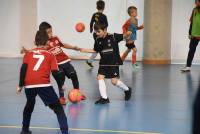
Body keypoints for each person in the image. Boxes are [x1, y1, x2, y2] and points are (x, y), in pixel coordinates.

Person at [16, 30, 69, 134]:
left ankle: (24, 130)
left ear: (35, 42)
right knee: (58, 109)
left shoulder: (28, 54)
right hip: (43, 84)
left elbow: (23, 69)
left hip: (29, 85)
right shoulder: (50, 55)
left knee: (29, 105)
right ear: (47, 42)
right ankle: (65, 132)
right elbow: (55, 72)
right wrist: (61, 85)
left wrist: (20, 85)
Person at [21, 22, 86, 105]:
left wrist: (73, 47)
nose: (51, 34)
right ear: (43, 33)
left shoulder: (55, 38)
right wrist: (27, 51)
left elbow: (63, 45)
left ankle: (78, 93)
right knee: (60, 81)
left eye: (51, 31)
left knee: (74, 75)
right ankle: (61, 97)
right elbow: (36, 49)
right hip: (56, 65)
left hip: (65, 61)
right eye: (48, 32)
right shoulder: (44, 43)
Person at [81, 23, 132, 104]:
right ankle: (104, 98)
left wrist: (128, 33)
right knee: (100, 77)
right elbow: (96, 50)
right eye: (96, 32)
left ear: (105, 30)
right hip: (103, 63)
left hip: (113, 62)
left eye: (98, 31)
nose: (97, 33)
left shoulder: (113, 36)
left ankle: (127, 90)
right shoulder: (98, 39)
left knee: (114, 82)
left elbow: (124, 36)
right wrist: (83, 50)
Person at [86, 0, 108, 68]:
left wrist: (91, 29)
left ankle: (89, 61)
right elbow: (106, 25)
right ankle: (104, 63)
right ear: (104, 7)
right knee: (101, 48)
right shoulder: (104, 16)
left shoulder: (94, 14)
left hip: (95, 34)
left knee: (97, 49)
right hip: (101, 34)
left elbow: (91, 23)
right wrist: (105, 33)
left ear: (96, 7)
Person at [181, 0, 200, 72]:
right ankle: (188, 66)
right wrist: (190, 32)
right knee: (191, 50)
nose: (195, 3)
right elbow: (192, 22)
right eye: (195, 2)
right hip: (194, 33)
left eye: (197, 1)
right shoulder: (194, 10)